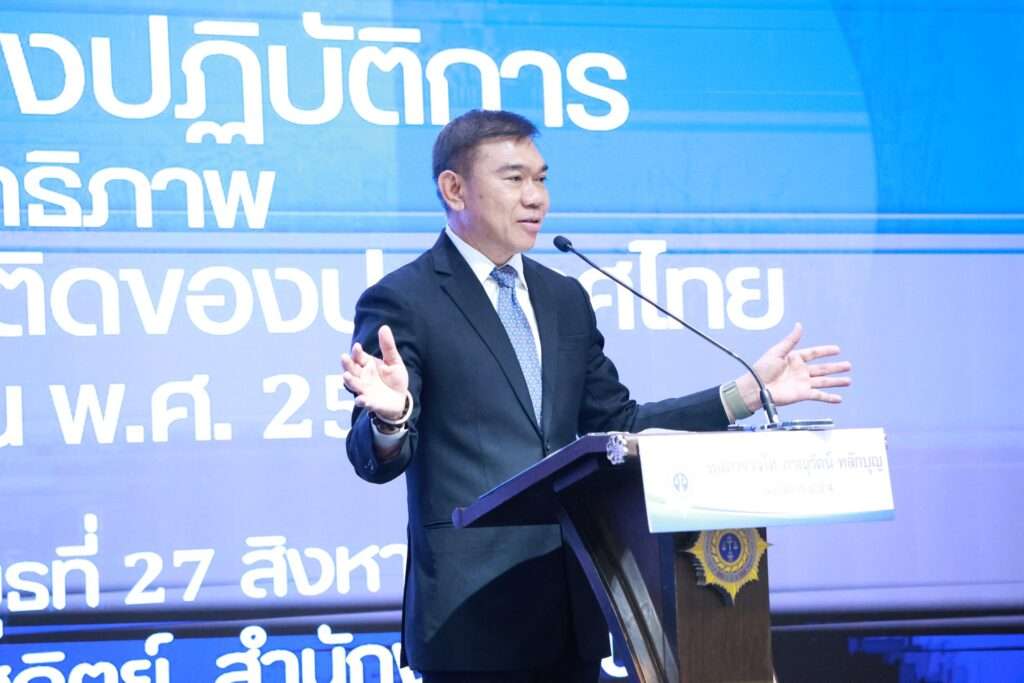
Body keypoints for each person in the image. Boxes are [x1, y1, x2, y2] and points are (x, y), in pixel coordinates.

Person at [342, 109, 851, 682]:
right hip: (472, 619)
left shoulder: (562, 297)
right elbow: (372, 459)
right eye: (514, 178)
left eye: (541, 179)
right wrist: (392, 418)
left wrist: (745, 395)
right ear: (454, 188)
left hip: (573, 607)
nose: (535, 197)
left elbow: (618, 423)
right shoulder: (404, 300)